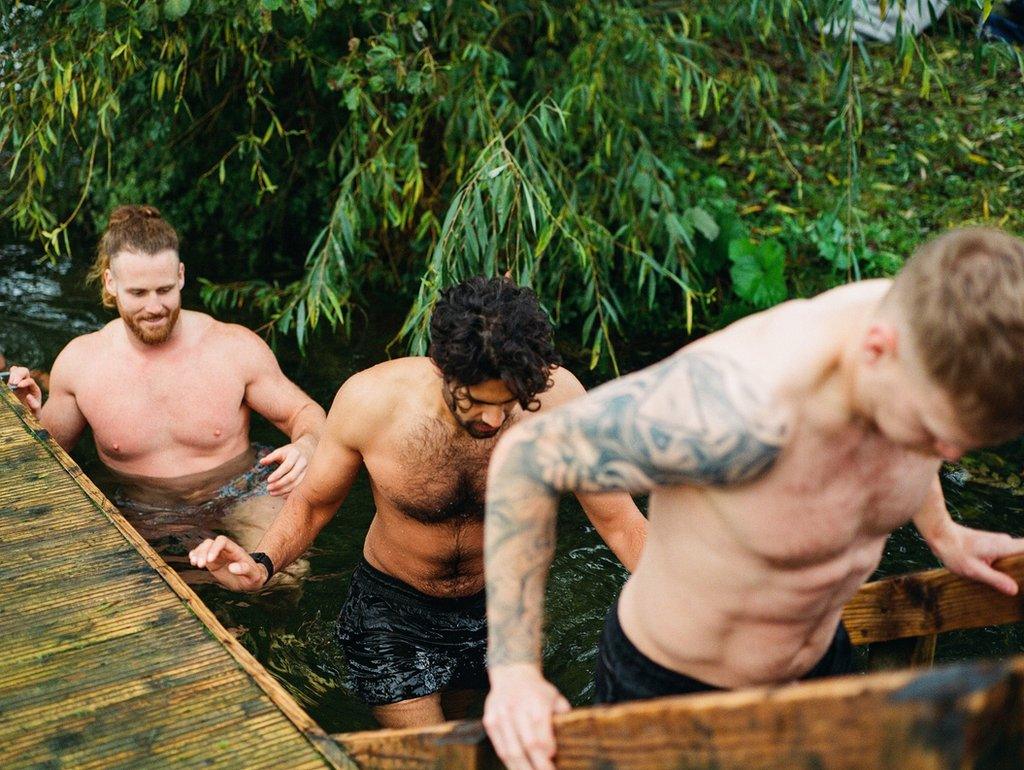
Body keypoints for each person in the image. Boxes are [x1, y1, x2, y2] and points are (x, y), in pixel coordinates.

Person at [481, 227, 1024, 770]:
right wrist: (514, 674)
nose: (945, 455)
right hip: (673, 692)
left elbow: (917, 441)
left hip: (819, 663)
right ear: (879, 350)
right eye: (931, 434)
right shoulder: (738, 409)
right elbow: (528, 459)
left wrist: (944, 533)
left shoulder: (936, 329)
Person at [187, 276, 648, 728]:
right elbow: (314, 504)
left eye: (508, 403)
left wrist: (693, 608)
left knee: (462, 737)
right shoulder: (372, 403)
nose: (492, 418)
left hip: (492, 606)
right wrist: (262, 565)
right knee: (432, 754)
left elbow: (621, 524)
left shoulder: (560, 404)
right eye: (476, 400)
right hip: (392, 610)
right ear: (442, 367)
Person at [9, 205, 326, 583]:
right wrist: (25, 420)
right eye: (138, 293)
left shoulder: (232, 347)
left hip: (242, 491)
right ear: (111, 283)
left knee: (283, 580)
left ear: (180, 276)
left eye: (164, 289)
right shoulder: (80, 363)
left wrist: (307, 445)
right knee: (115, 585)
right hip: (140, 509)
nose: (154, 306)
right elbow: (46, 464)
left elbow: (305, 412)